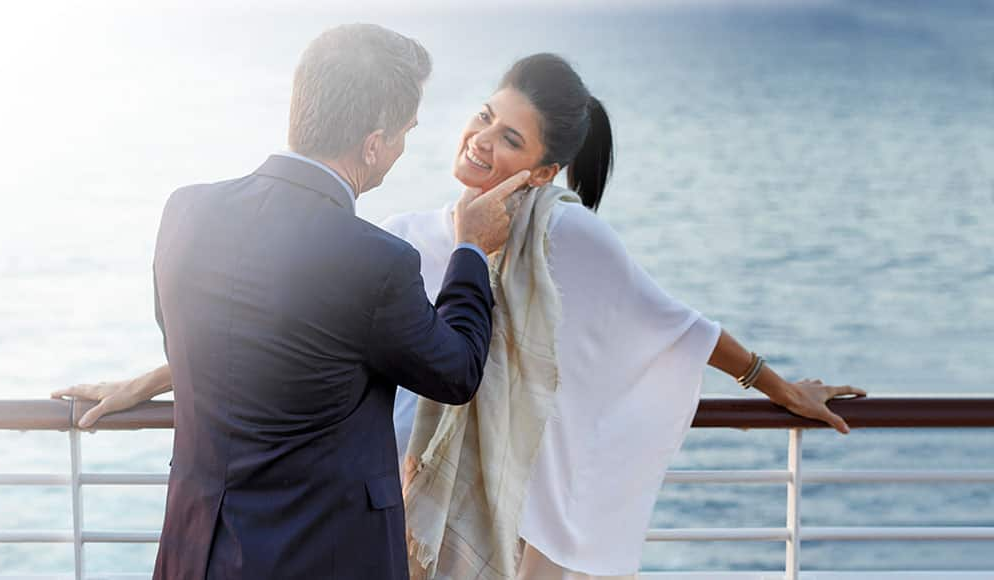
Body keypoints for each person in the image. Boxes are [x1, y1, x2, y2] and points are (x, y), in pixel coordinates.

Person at [54, 53, 865, 580]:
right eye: (483, 116)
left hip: (509, 526)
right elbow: (290, 311)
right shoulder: (415, 232)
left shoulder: (569, 236)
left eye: (508, 138)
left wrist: (778, 386)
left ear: (545, 170)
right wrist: (156, 377)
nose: (480, 141)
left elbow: (673, 326)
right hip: (411, 522)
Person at [122, 23, 530, 579]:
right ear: (374, 144)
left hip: (195, 553)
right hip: (324, 559)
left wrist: (146, 380)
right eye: (405, 132)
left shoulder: (185, 212)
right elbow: (456, 372)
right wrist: (470, 250)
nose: (402, 149)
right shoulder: (375, 261)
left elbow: (203, 342)